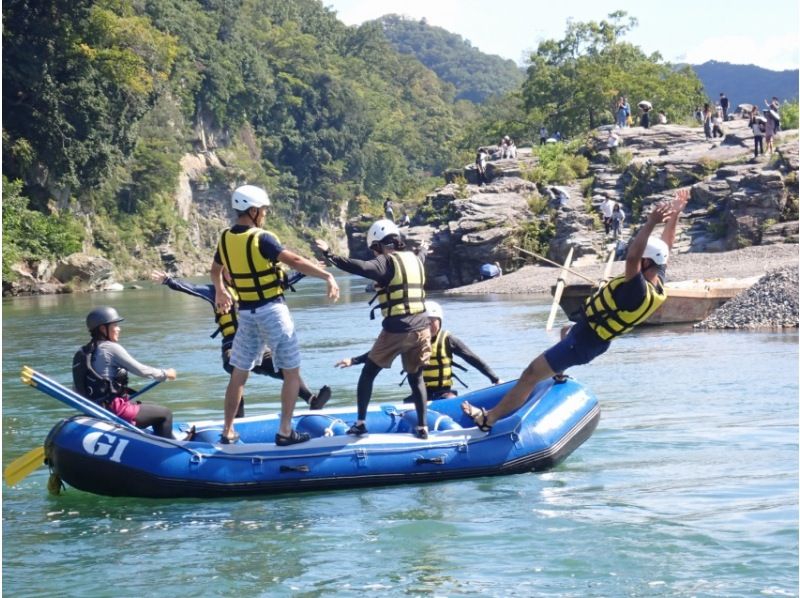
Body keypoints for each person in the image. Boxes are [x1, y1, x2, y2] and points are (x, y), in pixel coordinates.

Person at [461, 188, 690, 432]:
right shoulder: (657, 281)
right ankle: (558, 373)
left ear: (645, 262)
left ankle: (489, 419)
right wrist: (675, 214)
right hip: (589, 338)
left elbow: (633, 256)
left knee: (530, 373)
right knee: (564, 329)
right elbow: (666, 245)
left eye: (638, 259)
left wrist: (651, 221)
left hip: (582, 342)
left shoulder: (637, 290)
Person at [212, 185, 339, 445]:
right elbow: (294, 261)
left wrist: (220, 291)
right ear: (254, 210)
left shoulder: (225, 238)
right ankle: (285, 431)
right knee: (291, 373)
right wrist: (326, 275)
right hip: (272, 311)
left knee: (239, 373)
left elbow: (215, 270)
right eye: (264, 210)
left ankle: (227, 431)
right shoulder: (263, 238)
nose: (266, 215)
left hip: (246, 313)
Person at [151, 270, 331, 416]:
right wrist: (168, 280)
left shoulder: (253, 289)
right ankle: (236, 419)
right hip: (232, 346)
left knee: (286, 369)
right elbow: (191, 288)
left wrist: (305, 270)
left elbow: (283, 281)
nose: (234, 274)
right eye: (229, 272)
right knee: (237, 370)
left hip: (258, 345)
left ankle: (312, 400)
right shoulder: (215, 292)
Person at [315, 219, 431, 439]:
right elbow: (423, 255)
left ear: (378, 245)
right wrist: (424, 249)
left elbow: (359, 266)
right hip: (423, 328)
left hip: (398, 329)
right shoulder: (416, 259)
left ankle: (360, 424)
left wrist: (330, 255)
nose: (374, 254)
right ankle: (423, 427)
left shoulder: (386, 262)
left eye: (374, 249)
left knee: (368, 373)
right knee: (416, 377)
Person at [336, 301, 500, 401]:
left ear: (440, 321)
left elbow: (472, 358)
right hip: (421, 393)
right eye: (425, 321)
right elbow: (379, 353)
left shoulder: (448, 340)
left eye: (433, 321)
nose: (429, 325)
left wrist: (494, 378)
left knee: (449, 399)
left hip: (444, 393)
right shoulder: (410, 339)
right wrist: (353, 360)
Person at [72, 306, 179, 439]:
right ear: (102, 328)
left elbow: (77, 388)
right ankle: (168, 449)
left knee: (149, 405)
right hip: (115, 410)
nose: (118, 329)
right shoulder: (110, 348)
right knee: (165, 414)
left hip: (95, 410)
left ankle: (157, 439)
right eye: (115, 325)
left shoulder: (82, 352)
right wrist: (166, 373)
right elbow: (141, 370)